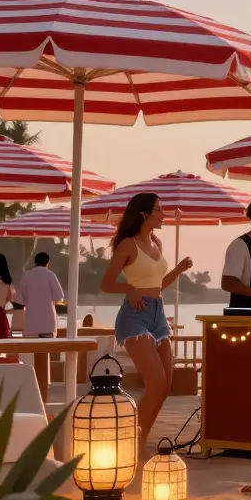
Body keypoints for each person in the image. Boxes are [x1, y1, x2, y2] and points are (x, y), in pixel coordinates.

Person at [99, 193, 193, 461]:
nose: (164, 214)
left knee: (165, 386)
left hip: (158, 313)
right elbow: (106, 284)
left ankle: (139, 440)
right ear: (144, 214)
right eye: (159, 210)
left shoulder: (157, 243)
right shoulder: (128, 245)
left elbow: (159, 284)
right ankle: (129, 440)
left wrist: (178, 270)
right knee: (156, 383)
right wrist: (129, 288)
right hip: (135, 316)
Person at [13, 252, 65, 401]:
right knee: (44, 359)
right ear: (47, 262)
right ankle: (43, 396)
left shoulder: (27, 276)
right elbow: (59, 296)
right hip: (48, 323)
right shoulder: (50, 275)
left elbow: (20, 301)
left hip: (31, 323)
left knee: (34, 361)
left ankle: (35, 395)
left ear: (35, 262)